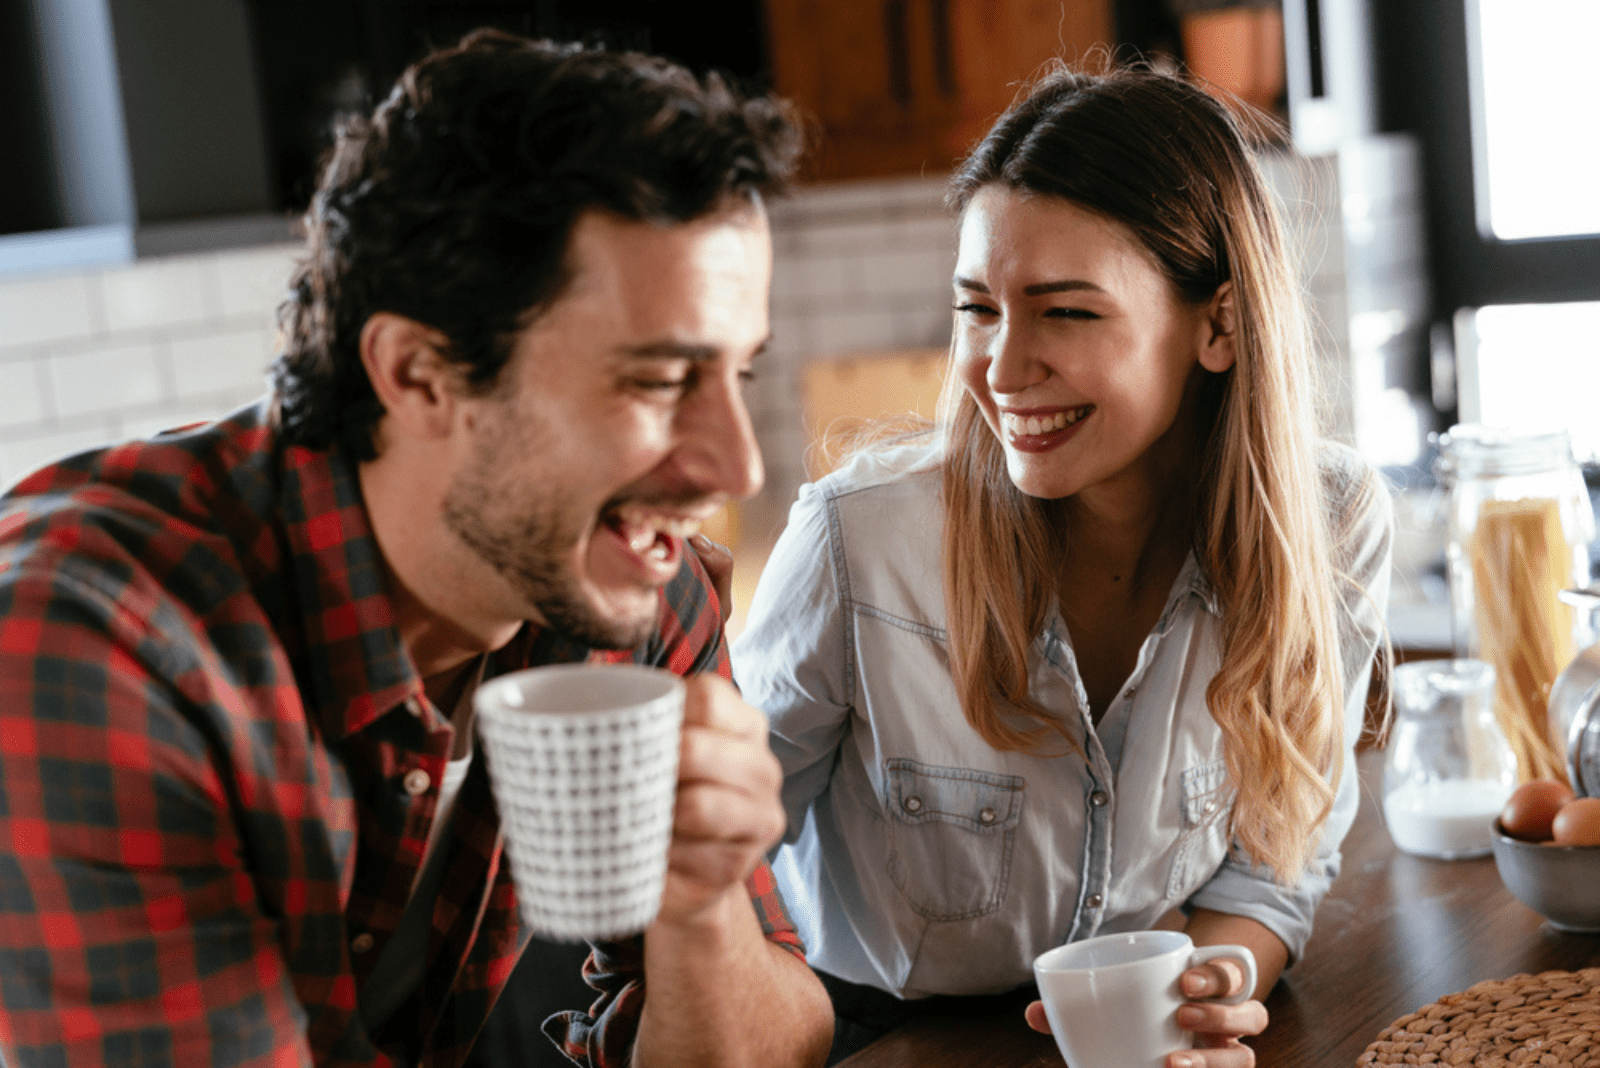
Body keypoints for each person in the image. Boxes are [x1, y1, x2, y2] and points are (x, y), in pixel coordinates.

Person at [0, 29, 833, 1068]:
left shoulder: (624, 585)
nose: (735, 467)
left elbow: (778, 1039)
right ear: (419, 373)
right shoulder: (98, 640)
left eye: (738, 376)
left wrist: (701, 909)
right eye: (661, 382)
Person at [732, 63, 1392, 1068]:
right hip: (882, 1041)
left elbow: (1274, 872)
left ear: (1217, 324)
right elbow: (704, 868)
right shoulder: (856, 543)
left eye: (1065, 311)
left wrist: (1209, 991)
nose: (999, 369)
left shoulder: (1330, 520)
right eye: (977, 308)